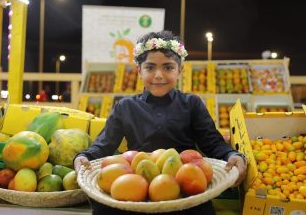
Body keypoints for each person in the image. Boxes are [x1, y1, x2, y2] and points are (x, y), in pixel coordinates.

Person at [74, 30, 247, 215]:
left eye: (168, 67)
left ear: (179, 70)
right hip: (137, 184)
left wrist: (231, 155)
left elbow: (212, 142)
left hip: (184, 188)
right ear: (139, 70)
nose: (158, 75)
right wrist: (83, 157)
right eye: (150, 67)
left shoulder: (192, 104)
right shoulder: (125, 107)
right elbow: (104, 144)